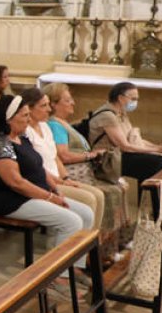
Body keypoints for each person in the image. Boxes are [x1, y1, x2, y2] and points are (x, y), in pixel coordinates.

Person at [0, 95, 93, 269]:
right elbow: (15, 183)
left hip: (36, 195)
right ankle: (58, 277)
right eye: (25, 116)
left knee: (86, 214)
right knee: (71, 221)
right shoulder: (0, 142)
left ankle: (74, 268)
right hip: (15, 200)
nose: (29, 120)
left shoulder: (22, 137)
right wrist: (49, 197)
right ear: (9, 119)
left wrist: (55, 188)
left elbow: (39, 167)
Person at [44, 83, 130, 260]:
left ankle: (116, 242)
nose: (73, 103)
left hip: (83, 172)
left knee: (119, 188)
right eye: (67, 100)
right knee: (108, 193)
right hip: (73, 173)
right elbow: (63, 156)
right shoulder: (55, 125)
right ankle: (100, 251)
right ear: (54, 104)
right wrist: (90, 155)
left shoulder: (63, 123)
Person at [89, 81, 162, 219]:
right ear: (120, 98)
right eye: (133, 98)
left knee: (158, 161)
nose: (135, 102)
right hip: (107, 160)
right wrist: (155, 150)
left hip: (119, 155)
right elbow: (125, 146)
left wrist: (158, 148)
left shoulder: (121, 113)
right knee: (156, 163)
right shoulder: (107, 115)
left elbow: (134, 140)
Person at [21, 87, 105, 232]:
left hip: (59, 178)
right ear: (29, 108)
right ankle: (75, 246)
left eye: (48, 104)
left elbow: (55, 157)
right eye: (43, 106)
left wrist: (66, 178)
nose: (49, 109)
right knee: (89, 199)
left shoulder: (45, 127)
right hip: (45, 182)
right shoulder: (25, 132)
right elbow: (35, 166)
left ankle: (91, 244)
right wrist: (57, 182)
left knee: (99, 195)